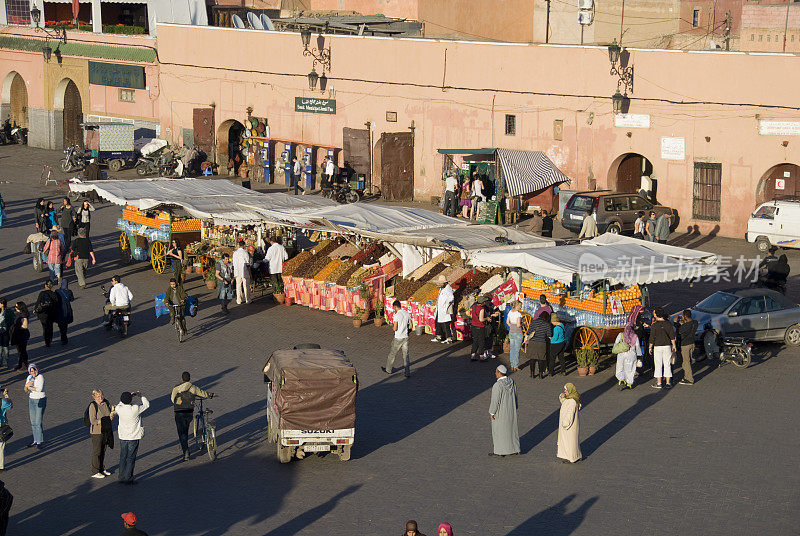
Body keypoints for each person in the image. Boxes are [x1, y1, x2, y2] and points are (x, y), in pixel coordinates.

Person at [171, 372, 212, 461]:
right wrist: (211, 395)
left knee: (181, 433)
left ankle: (186, 452)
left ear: (182, 378)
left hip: (179, 412)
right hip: (189, 411)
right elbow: (203, 393)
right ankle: (185, 445)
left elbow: (172, 399)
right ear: (189, 379)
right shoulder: (193, 387)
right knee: (185, 429)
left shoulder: (176, 388)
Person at [115, 391, 149, 485]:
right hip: (133, 437)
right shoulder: (135, 408)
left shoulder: (118, 408)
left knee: (123, 457)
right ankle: (128, 478)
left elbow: (120, 403)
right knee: (131, 458)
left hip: (123, 436)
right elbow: (146, 405)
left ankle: (121, 477)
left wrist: (128, 397)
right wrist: (141, 396)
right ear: (130, 400)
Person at [488, 365, 520, 457]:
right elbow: (515, 395)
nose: (495, 373)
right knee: (511, 430)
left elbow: (495, 400)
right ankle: (514, 448)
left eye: (496, 371)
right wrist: (515, 406)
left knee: (499, 431)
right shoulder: (512, 382)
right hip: (510, 409)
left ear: (499, 373)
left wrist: (492, 412)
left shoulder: (497, 385)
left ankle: (499, 451)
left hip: (501, 411)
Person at [614, 305, 643, 389]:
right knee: (630, 369)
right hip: (631, 354)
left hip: (621, 354)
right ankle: (629, 383)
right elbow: (638, 347)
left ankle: (621, 379)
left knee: (620, 367)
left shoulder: (621, 335)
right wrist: (639, 357)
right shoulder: (635, 336)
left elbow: (616, 344)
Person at [87, 389, 114, 479]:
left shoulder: (106, 403)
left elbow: (109, 414)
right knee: (97, 451)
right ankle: (95, 471)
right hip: (97, 432)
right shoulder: (92, 406)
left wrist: (111, 415)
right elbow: (93, 421)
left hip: (106, 430)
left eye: (101, 395)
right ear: (94, 397)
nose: (101, 397)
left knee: (103, 450)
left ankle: (101, 469)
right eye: (98, 396)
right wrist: (104, 421)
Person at [648, 307, 676, 389]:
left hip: (657, 347)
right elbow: (672, 336)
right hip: (667, 346)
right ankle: (668, 383)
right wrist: (674, 345)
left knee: (658, 364)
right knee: (667, 364)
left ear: (656, 315)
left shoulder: (654, 326)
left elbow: (652, 338)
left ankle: (659, 382)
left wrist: (650, 347)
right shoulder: (668, 324)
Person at [383, 301, 411, 378]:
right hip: (405, 337)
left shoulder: (396, 315)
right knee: (406, 355)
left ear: (395, 307)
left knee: (392, 354)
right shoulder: (406, 313)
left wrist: (393, 327)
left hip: (398, 337)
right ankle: (407, 372)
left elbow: (395, 328)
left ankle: (388, 369)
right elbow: (411, 326)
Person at [557, 383, 582, 463]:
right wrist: (562, 398)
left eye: (566, 390)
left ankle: (571, 457)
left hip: (568, 426)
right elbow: (565, 405)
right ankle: (576, 455)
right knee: (571, 442)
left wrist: (565, 423)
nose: (565, 391)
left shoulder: (572, 402)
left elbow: (570, 414)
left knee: (569, 442)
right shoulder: (570, 399)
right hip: (568, 426)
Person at [525, 310, 552, 378]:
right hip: (541, 343)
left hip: (532, 343)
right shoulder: (547, 324)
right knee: (541, 359)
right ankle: (540, 374)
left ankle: (532, 374)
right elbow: (549, 335)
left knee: (532, 359)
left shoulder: (534, 322)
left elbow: (528, 332)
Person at [24, 364, 46, 449]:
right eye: (31, 371)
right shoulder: (29, 378)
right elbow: (25, 390)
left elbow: (39, 389)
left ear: (37, 370)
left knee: (38, 421)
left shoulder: (40, 377)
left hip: (40, 400)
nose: (33, 372)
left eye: (35, 370)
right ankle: (35, 440)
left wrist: (29, 387)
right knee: (33, 422)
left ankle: (40, 441)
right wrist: (27, 386)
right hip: (31, 400)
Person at [34, 279, 61, 347]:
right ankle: (50, 339)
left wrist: (35, 310)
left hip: (43, 314)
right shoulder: (54, 294)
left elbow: (38, 303)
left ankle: (47, 340)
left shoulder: (42, 293)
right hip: (51, 314)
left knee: (45, 327)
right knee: (50, 327)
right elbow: (57, 304)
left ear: (45, 285)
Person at [676, 309, 697, 385]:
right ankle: (686, 376)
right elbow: (688, 325)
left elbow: (679, 331)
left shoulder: (685, 326)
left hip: (685, 345)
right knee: (688, 361)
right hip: (692, 343)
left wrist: (677, 323)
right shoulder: (695, 323)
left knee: (686, 362)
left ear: (685, 316)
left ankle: (689, 379)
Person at [432, 275, 454, 343]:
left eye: (441, 283)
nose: (440, 284)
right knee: (438, 322)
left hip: (444, 309)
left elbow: (451, 298)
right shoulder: (442, 288)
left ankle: (449, 338)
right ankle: (438, 336)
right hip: (440, 309)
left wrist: (446, 305)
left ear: (445, 283)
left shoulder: (448, 289)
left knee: (445, 324)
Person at [54, 278, 74, 345]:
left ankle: (63, 336)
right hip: (67, 310)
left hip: (59, 310)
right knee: (65, 325)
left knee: (61, 325)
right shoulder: (69, 291)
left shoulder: (57, 291)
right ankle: (64, 337)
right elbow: (72, 299)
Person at [469, 295, 489, 362]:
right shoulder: (482, 309)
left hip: (473, 326)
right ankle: (481, 356)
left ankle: (473, 355)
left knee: (475, 341)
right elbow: (481, 319)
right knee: (481, 341)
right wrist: (487, 318)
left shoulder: (474, 306)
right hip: (480, 326)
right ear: (483, 302)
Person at [10, 303, 29, 371]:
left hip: (22, 336)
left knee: (22, 351)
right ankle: (20, 364)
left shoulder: (23, 315)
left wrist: (16, 327)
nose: (15, 308)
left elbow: (25, 326)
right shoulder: (20, 314)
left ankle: (24, 365)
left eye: (16, 307)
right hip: (19, 335)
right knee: (20, 351)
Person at [232, 240, 252, 305]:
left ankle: (239, 300)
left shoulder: (235, 253)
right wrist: (250, 272)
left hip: (237, 271)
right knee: (246, 286)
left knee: (238, 286)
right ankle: (247, 299)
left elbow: (233, 263)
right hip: (244, 271)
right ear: (244, 245)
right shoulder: (245, 253)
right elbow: (247, 263)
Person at [506, 301, 524, 372]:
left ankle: (512, 364)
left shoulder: (510, 312)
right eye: (520, 306)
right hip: (518, 332)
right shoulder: (518, 314)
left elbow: (507, 322)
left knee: (512, 348)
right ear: (517, 306)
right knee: (517, 349)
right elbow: (518, 325)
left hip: (511, 331)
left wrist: (511, 326)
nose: (521, 307)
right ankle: (515, 365)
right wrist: (523, 323)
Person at [0, 387, 12, 470]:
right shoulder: (2, 402)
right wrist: (6, 395)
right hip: (1, 425)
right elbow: (10, 406)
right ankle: (0, 466)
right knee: (0, 447)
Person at [0, 299, 14, 369]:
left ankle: (5, 361)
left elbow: (12, 321)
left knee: (5, 346)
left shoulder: (8, 312)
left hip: (6, 331)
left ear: (2, 304)